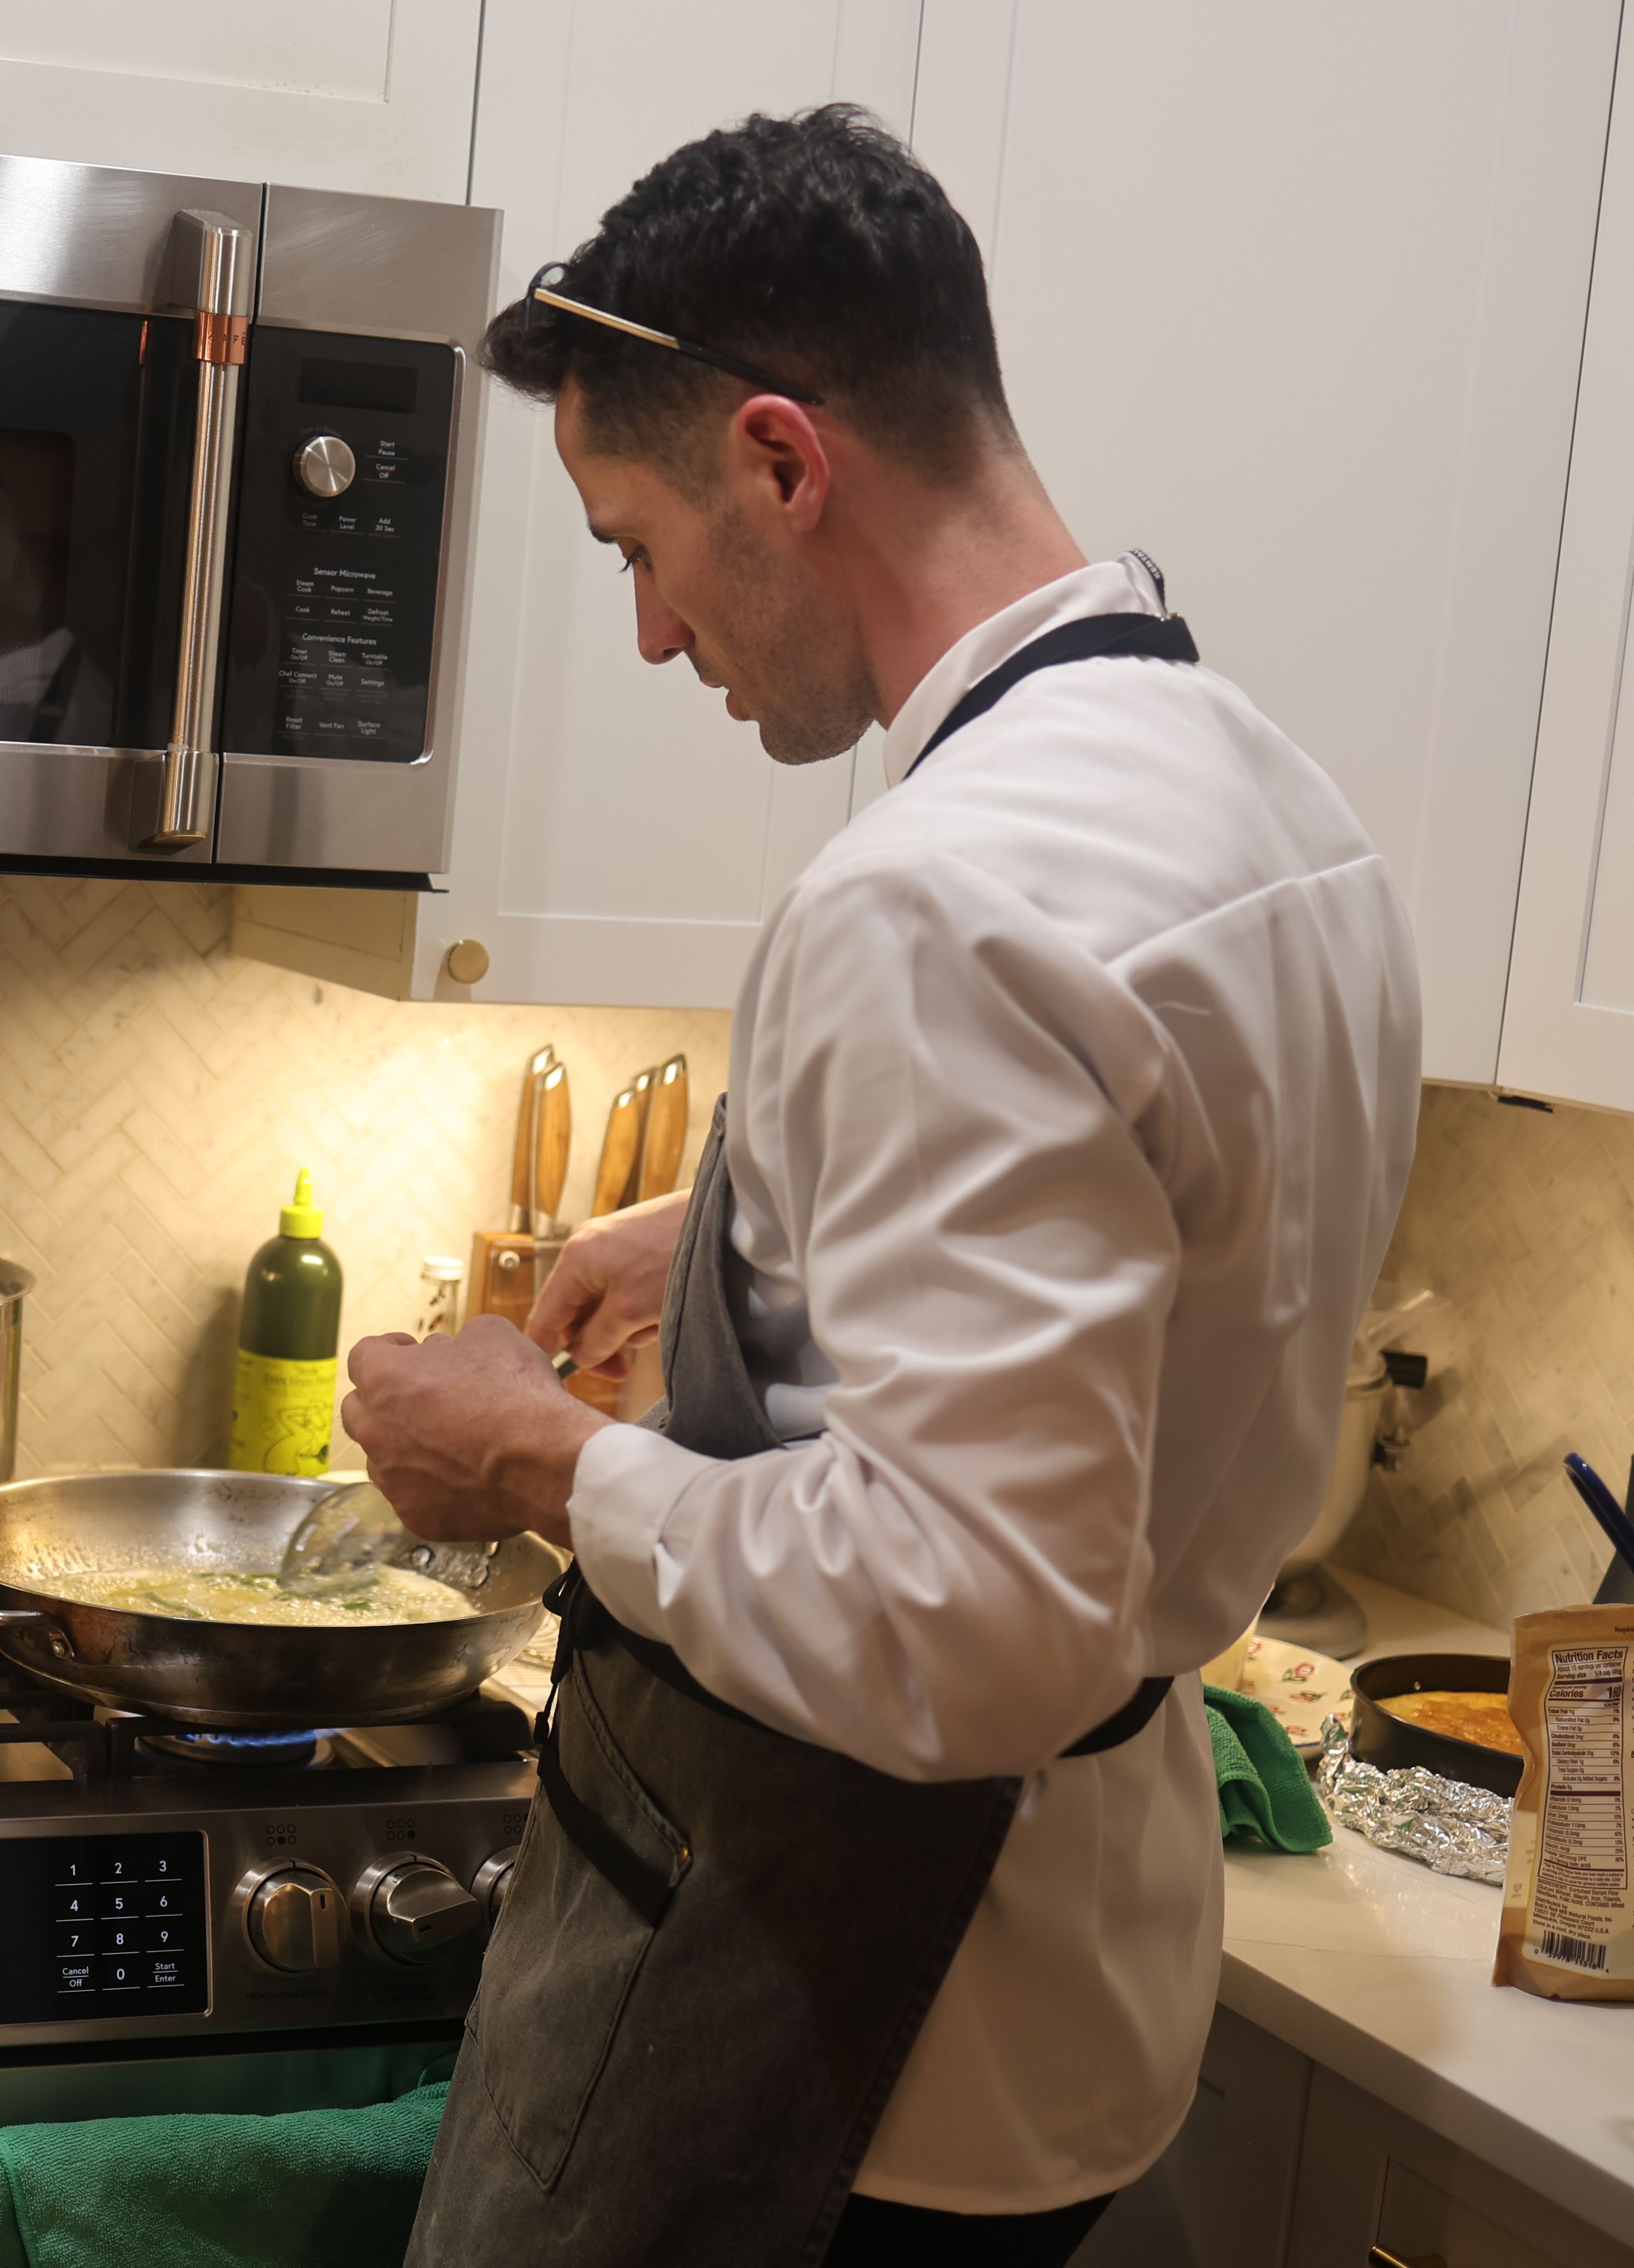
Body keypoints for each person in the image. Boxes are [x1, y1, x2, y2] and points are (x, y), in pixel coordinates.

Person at [340, 108, 1417, 2267]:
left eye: (637, 546)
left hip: (853, 2043)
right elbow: (1157, 1219)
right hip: (1085, 1997)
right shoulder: (1270, 801)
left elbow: (968, 1621)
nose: (652, 636)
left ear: (779, 461)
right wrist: (744, 1217)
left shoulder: (928, 899)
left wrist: (538, 1457)